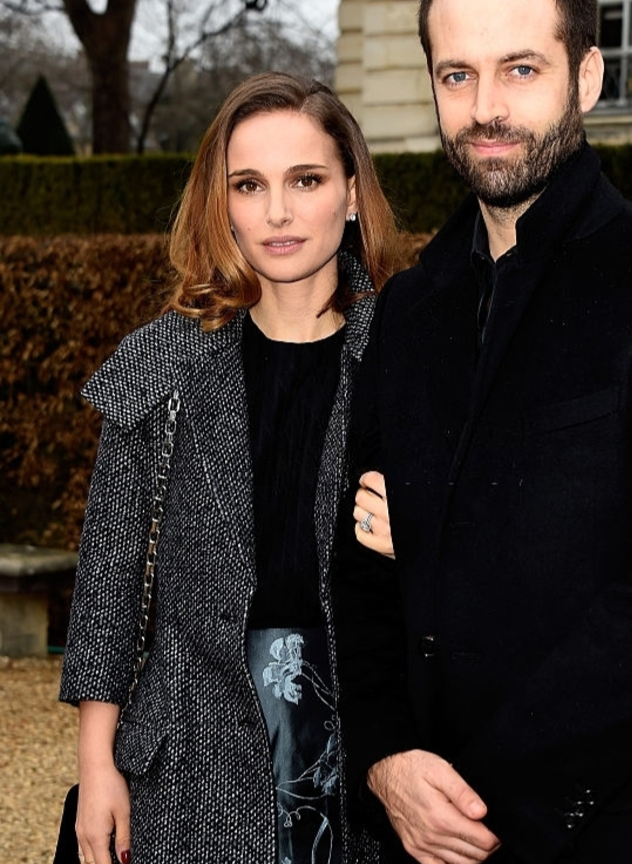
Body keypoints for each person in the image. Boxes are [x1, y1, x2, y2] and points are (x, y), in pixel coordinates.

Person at [333, 0, 632, 864]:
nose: (486, 106)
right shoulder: (408, 313)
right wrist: (384, 760)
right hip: (419, 825)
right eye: (458, 75)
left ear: (587, 78)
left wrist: (476, 797)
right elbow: (366, 570)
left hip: (620, 828)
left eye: (520, 69)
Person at [59, 71, 403, 864]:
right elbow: (108, 578)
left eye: (305, 180)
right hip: (187, 752)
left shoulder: (410, 356)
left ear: (351, 194)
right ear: (223, 205)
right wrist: (97, 765)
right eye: (248, 185)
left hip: (361, 749)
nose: (277, 212)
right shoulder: (164, 359)